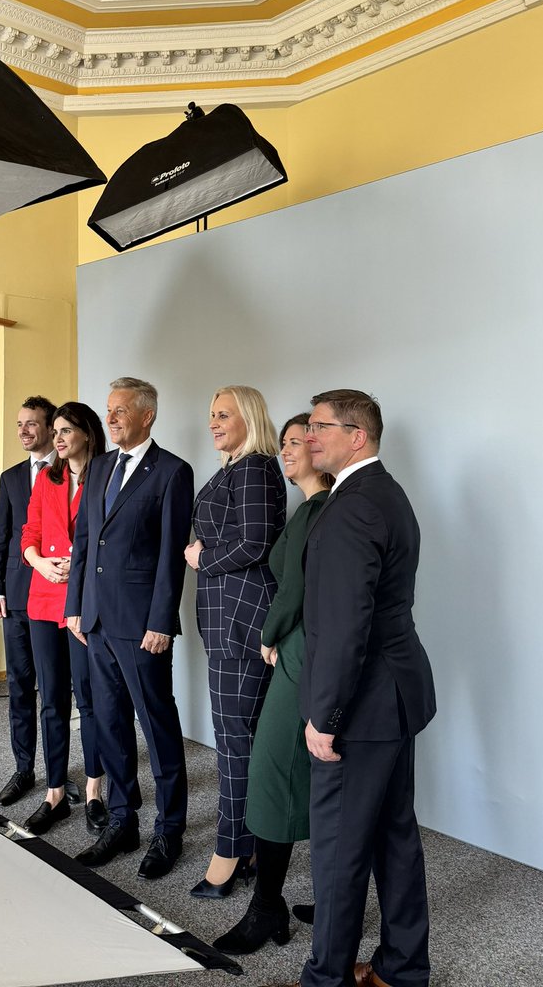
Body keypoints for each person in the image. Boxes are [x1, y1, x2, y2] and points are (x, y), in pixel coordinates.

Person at [298, 390, 436, 987]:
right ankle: (402, 970)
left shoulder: (354, 504)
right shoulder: (384, 493)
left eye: (320, 427)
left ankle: (325, 979)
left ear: (358, 436)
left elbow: (346, 624)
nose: (307, 437)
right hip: (394, 694)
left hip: (362, 704)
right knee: (392, 834)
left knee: (338, 849)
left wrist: (325, 715)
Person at [213, 413, 332, 954]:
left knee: (269, 773)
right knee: (306, 777)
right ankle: (318, 900)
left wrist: (269, 631)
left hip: (300, 652)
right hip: (297, 649)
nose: (287, 452)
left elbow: (296, 589)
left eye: (295, 443)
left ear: (318, 446)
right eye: (281, 443)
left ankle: (267, 909)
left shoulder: (319, 509)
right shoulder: (308, 509)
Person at [66, 377, 194, 880]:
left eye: (121, 410)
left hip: (142, 625)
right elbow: (84, 541)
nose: (112, 417)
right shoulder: (98, 467)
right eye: (109, 410)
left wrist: (162, 620)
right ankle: (122, 819)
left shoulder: (172, 472)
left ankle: (170, 829)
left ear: (148, 416)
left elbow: (171, 556)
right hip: (95, 619)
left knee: (157, 725)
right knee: (111, 723)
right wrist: (75, 606)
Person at [184, 386, 286, 898]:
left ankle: (229, 851)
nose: (214, 422)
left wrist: (203, 557)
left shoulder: (253, 468)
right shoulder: (235, 468)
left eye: (224, 413)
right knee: (237, 739)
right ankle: (243, 845)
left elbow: (256, 540)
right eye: (211, 414)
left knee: (234, 743)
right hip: (230, 622)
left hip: (241, 623)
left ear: (250, 417)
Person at [20, 402, 107, 836]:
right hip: (43, 597)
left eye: (67, 429)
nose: (57, 437)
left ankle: (94, 788)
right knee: (52, 699)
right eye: (55, 430)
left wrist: (77, 566)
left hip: (85, 600)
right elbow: (29, 534)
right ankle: (54, 791)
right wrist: (38, 562)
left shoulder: (107, 475)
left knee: (88, 698)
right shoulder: (46, 478)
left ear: (87, 434)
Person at [0, 395, 56, 808]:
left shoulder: (71, 473)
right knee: (19, 686)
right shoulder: (11, 477)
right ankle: (24, 769)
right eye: (19, 424)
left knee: (53, 689)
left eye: (32, 424)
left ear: (50, 428)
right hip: (14, 596)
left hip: (54, 596)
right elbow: (1, 537)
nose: (24, 431)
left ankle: (57, 776)